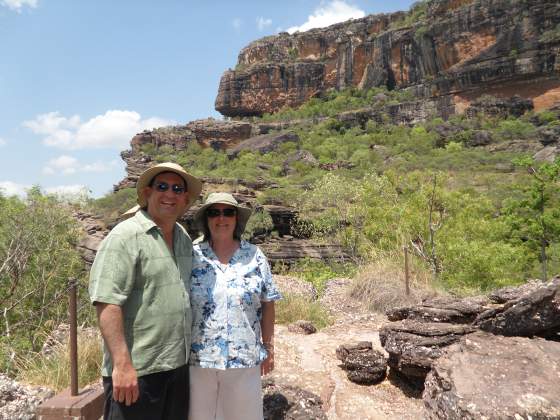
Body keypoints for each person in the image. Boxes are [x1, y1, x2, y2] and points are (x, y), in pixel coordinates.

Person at [89, 162, 202, 420]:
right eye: (162, 186)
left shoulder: (183, 237)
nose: (170, 193)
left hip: (177, 368)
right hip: (138, 372)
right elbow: (107, 302)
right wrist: (122, 364)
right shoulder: (125, 236)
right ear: (148, 193)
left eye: (177, 188)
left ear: (185, 198)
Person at [189, 192, 281, 420]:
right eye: (214, 212)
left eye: (228, 212)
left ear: (236, 218)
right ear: (206, 219)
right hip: (199, 360)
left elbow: (268, 303)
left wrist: (268, 348)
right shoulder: (192, 255)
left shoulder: (255, 255)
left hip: (244, 358)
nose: (221, 218)